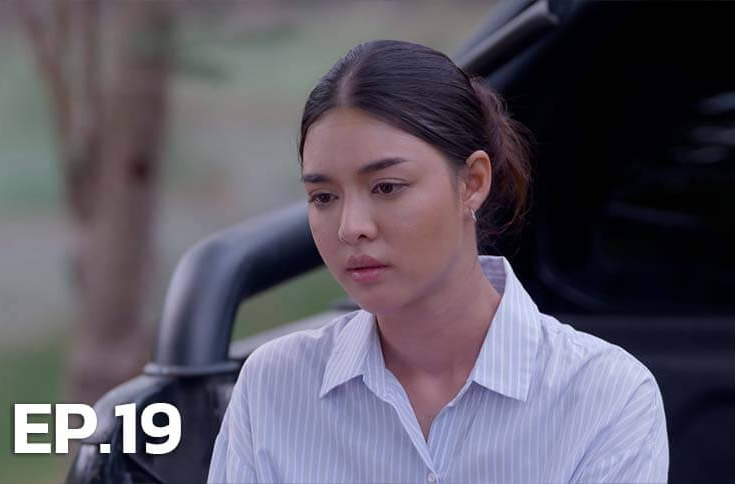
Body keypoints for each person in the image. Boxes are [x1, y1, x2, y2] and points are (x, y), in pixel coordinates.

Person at [207, 39, 668, 484]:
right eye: (323, 197)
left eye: (387, 187)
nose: (351, 227)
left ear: (473, 182)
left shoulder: (605, 396)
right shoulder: (275, 387)